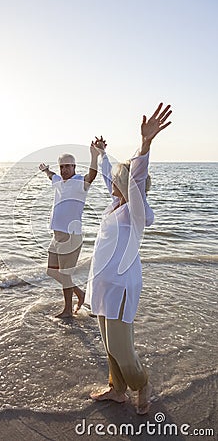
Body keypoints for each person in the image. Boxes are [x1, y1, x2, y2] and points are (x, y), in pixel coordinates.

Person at [85, 103, 172, 414]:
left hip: (121, 287)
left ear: (130, 187)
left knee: (123, 349)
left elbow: (135, 175)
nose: (112, 183)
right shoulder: (114, 206)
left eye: (119, 180)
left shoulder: (135, 214)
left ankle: (141, 383)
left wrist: (146, 143)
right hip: (103, 285)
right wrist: (102, 154)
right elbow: (114, 174)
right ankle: (116, 389)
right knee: (109, 346)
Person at [39, 142, 99, 318]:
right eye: (62, 167)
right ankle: (79, 294)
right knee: (51, 270)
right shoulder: (58, 180)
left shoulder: (80, 182)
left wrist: (94, 156)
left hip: (71, 236)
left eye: (68, 166)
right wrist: (46, 171)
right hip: (56, 235)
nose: (64, 169)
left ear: (74, 167)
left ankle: (67, 310)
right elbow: (52, 176)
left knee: (65, 274)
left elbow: (92, 175)